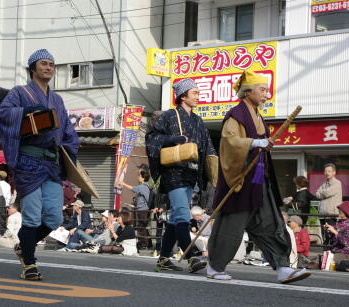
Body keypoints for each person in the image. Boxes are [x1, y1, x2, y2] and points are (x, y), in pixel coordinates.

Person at [206, 70, 310, 283]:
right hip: (241, 179)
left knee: (271, 223)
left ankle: (282, 267)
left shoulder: (256, 115)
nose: (266, 94)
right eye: (262, 90)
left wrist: (263, 143)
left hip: (259, 179)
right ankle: (214, 266)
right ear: (247, 92)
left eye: (266, 90)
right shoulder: (236, 115)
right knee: (231, 225)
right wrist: (254, 142)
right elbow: (229, 142)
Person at [0, 49, 79, 280]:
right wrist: (26, 111)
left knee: (54, 218)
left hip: (52, 165)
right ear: (33, 67)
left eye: (52, 64)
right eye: (44, 63)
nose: (49, 67)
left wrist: (72, 154)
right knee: (32, 216)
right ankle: (29, 264)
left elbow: (68, 132)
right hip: (28, 162)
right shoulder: (19, 92)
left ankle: (25, 245)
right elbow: (3, 113)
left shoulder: (57, 99)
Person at [146, 78, 216, 273]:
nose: (198, 97)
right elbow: (152, 138)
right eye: (195, 93)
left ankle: (163, 258)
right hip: (173, 172)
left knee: (176, 216)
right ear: (183, 95)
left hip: (190, 172)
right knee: (183, 212)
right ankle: (192, 255)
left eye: (198, 93)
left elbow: (208, 145)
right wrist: (171, 139)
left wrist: (213, 165)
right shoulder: (168, 116)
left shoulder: (197, 120)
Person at [120, 169, 152, 250]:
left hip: (143, 210)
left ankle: (144, 244)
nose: (138, 177)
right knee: (143, 227)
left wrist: (123, 183)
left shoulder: (143, 186)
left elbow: (133, 188)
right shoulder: (145, 186)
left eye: (139, 175)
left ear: (143, 178)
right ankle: (149, 243)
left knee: (141, 227)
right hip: (142, 209)